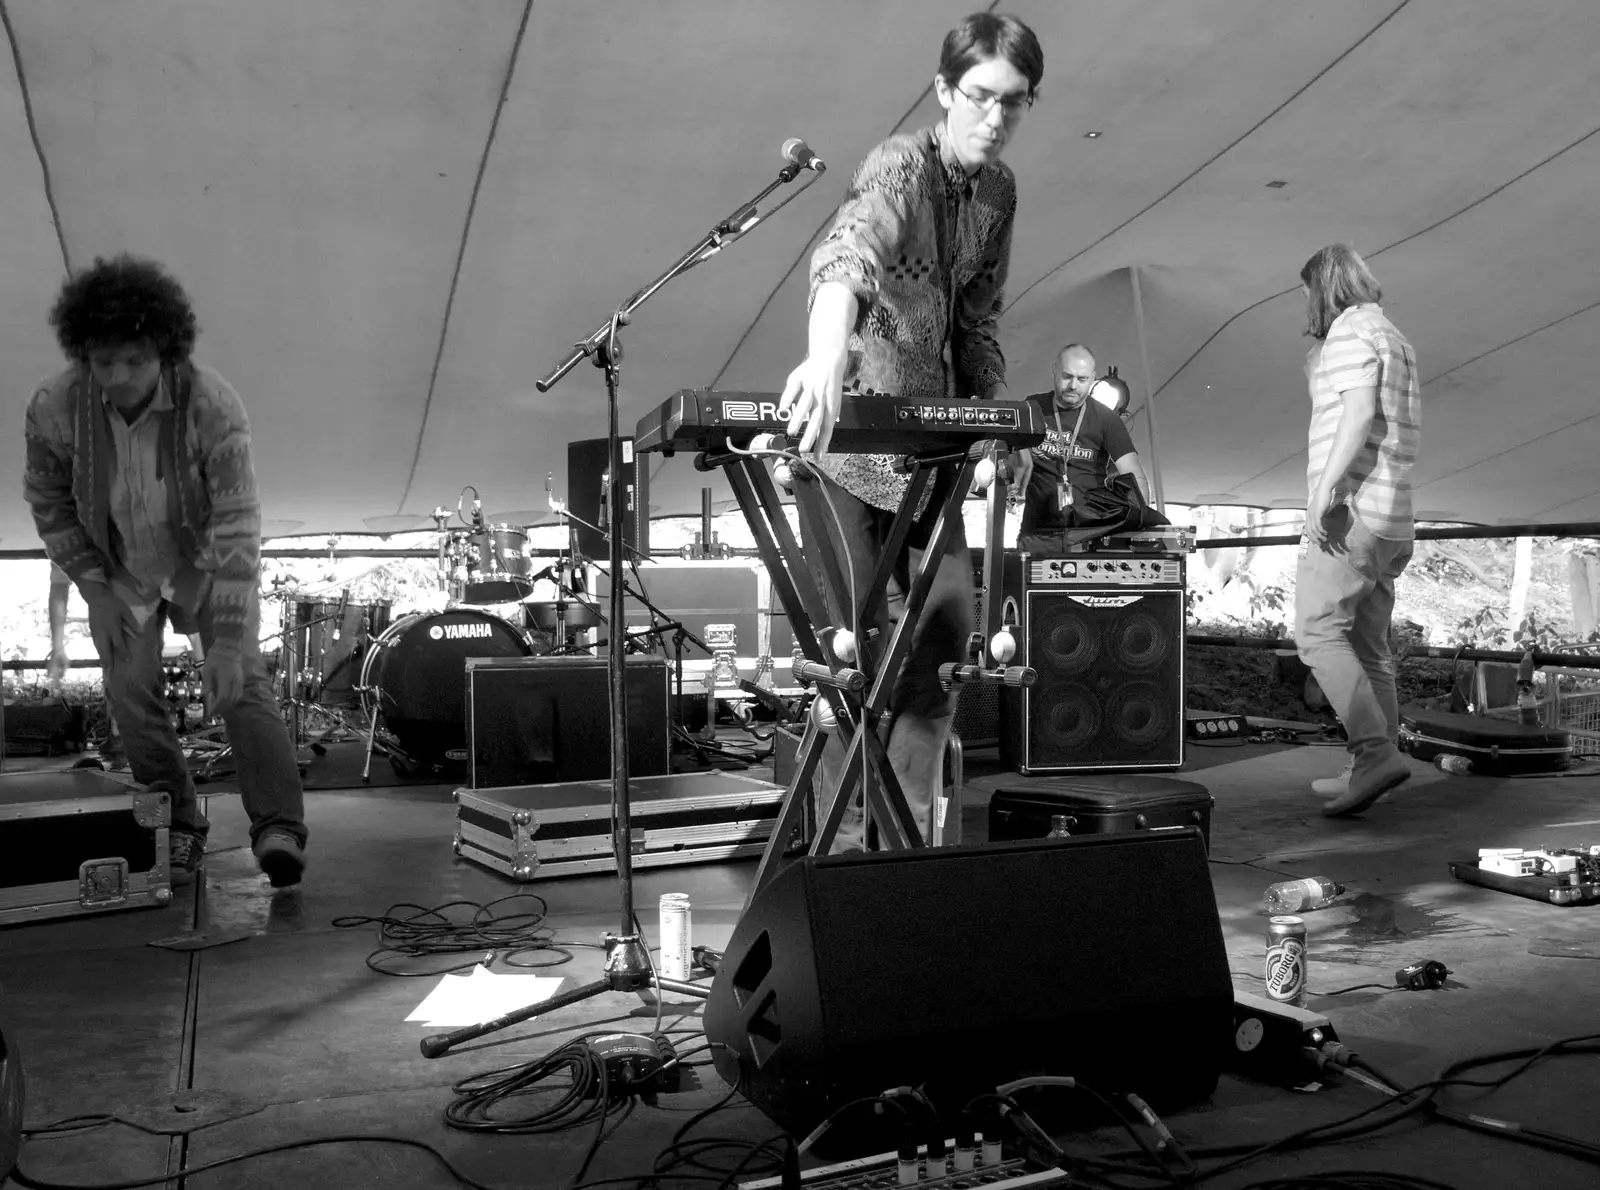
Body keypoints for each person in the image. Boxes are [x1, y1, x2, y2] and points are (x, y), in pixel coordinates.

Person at [779, 12, 1043, 852]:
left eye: (1015, 102)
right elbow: (846, 253)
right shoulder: (901, 164)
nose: (995, 118)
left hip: (931, 463)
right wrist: (824, 357)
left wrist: (995, 419)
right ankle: (837, 865)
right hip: (848, 461)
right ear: (943, 91)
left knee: (937, 667)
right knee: (850, 672)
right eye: (980, 97)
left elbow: (977, 320)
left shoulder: (998, 194)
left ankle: (904, 860)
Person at [23, 254, 308, 886]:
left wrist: (229, 642)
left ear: (166, 352)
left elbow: (236, 524)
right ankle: (176, 826)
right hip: (118, 567)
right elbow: (49, 505)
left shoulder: (211, 404)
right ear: (82, 355)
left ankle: (279, 829)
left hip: (200, 557)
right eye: (103, 362)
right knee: (128, 689)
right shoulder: (53, 406)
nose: (120, 377)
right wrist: (93, 590)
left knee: (243, 685)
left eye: (136, 360)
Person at [1294, 244, 1421, 816]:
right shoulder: (1394, 335)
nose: (1306, 305)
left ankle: (1372, 754)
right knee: (1369, 646)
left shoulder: (1348, 331)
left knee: (1316, 633)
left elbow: (1357, 412)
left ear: (1323, 288)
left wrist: (1324, 487)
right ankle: (1371, 764)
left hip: (1355, 508)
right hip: (1394, 515)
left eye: (1306, 294)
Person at [1012, 343, 1156, 554]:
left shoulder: (1107, 419)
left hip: (1088, 536)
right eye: (1067, 376)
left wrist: (1141, 528)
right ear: (1054, 370)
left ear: (1093, 378)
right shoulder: (1032, 407)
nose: (1073, 386)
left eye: (1082, 379)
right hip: (1037, 534)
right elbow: (1006, 454)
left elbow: (1135, 476)